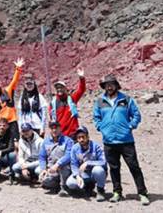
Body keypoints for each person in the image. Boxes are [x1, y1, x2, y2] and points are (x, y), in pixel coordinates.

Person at [93, 74, 149, 205]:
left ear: (116, 85)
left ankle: (142, 193)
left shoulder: (126, 99)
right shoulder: (100, 101)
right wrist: (101, 127)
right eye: (107, 85)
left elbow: (136, 115)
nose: (109, 87)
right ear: (104, 87)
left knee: (134, 167)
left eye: (112, 84)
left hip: (126, 141)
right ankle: (117, 192)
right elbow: (96, 117)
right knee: (114, 168)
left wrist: (130, 126)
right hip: (109, 141)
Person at [66, 126, 108, 201]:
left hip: (95, 173)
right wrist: (77, 176)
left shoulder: (96, 146)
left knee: (98, 170)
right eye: (79, 137)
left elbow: (103, 162)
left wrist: (88, 163)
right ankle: (87, 188)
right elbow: (73, 164)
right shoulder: (75, 148)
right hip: (83, 174)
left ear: (88, 136)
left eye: (83, 137)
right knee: (70, 183)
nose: (81, 139)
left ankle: (100, 191)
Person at [0, 58, 24, 141]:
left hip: (11, 120)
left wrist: (18, 68)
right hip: (1, 124)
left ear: (1, 83)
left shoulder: (7, 90)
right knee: (2, 142)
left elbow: (14, 80)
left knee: (16, 141)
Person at [49, 68, 86, 139]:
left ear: (65, 89)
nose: (59, 89)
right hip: (61, 134)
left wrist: (82, 78)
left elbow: (81, 90)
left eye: (61, 87)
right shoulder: (53, 103)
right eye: (57, 88)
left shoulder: (72, 99)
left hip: (73, 133)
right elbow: (52, 118)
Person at [38, 121, 73, 195]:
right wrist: (43, 169)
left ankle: (64, 187)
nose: (54, 130)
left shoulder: (68, 141)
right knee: (43, 179)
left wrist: (58, 164)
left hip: (64, 167)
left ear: (60, 128)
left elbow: (69, 155)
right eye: (52, 128)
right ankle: (56, 185)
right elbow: (42, 157)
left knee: (63, 168)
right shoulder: (46, 141)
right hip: (51, 168)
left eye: (56, 128)